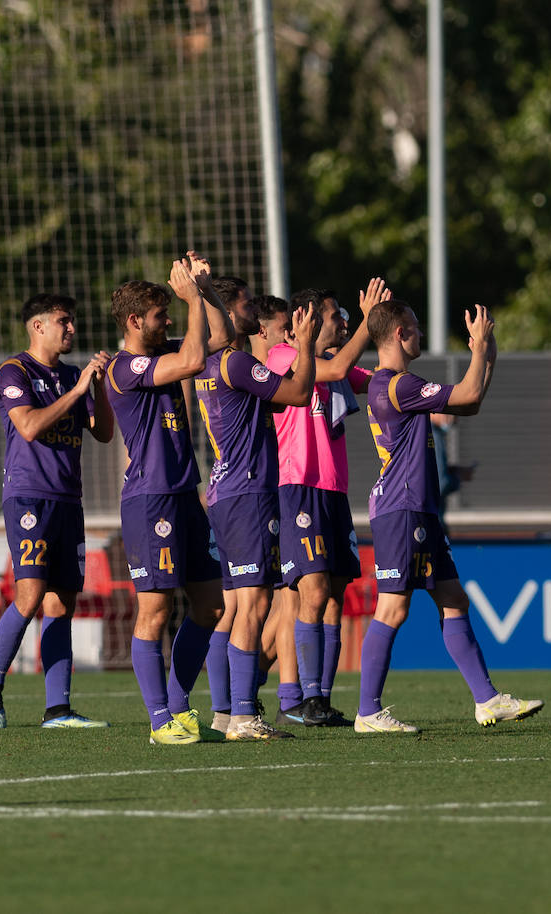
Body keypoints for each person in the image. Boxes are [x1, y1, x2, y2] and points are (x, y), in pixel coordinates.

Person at [355, 299, 543, 733]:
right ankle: (368, 711)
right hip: (402, 509)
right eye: (416, 328)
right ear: (400, 334)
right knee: (392, 610)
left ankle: (488, 700)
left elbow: (468, 403)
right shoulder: (397, 385)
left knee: (454, 601)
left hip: (418, 509)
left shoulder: (391, 385)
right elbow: (468, 395)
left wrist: (486, 351)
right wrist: (477, 351)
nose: (421, 334)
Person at [104, 253, 233, 745]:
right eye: (162, 315)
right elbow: (196, 360)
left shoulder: (161, 355)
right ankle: (160, 720)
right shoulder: (125, 367)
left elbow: (219, 340)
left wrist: (205, 290)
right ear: (136, 321)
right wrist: (192, 298)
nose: (171, 319)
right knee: (154, 611)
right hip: (149, 500)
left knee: (210, 606)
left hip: (183, 495)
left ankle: (178, 709)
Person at [0, 294, 116, 730]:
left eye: (72, 321)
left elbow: (106, 434)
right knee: (31, 593)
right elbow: (30, 426)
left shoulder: (75, 375)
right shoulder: (14, 371)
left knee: (61, 603)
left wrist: (97, 387)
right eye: (63, 321)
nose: (71, 328)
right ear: (37, 327)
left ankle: (57, 709)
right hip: (28, 498)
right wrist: (77, 391)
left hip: (68, 500)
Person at [193, 285, 320, 740]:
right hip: (248, 491)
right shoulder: (236, 361)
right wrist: (304, 343)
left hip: (226, 491)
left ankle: (227, 712)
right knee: (255, 603)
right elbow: (301, 393)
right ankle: (244, 715)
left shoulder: (208, 364)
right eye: (246, 304)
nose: (255, 310)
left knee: (232, 608)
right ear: (226, 314)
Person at [264, 282, 384, 728]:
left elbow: (374, 384)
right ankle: (298, 697)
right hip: (297, 488)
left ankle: (319, 699)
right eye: (337, 317)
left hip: (334, 493)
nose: (345, 324)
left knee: (335, 596)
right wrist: (371, 324)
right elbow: (333, 373)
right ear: (307, 319)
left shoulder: (333, 364)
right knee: (310, 593)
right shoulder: (282, 357)